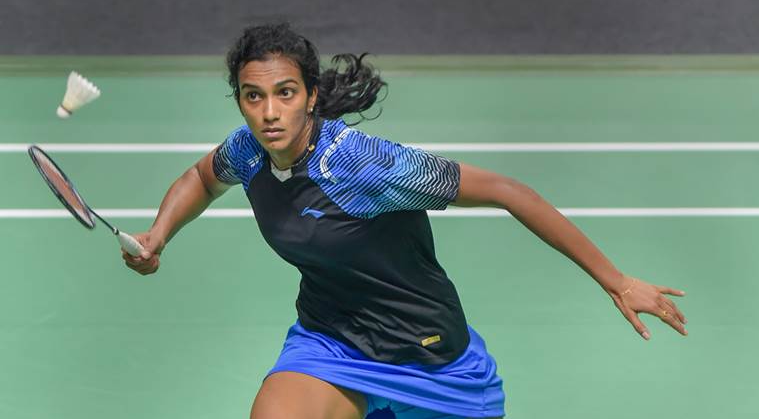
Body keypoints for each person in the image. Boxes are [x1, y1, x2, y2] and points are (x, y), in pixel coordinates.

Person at [122, 23, 688, 419]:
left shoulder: (364, 165)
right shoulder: (248, 151)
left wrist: (616, 280)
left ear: (311, 97)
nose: (269, 112)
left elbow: (510, 192)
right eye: (253, 96)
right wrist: (160, 233)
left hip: (431, 358)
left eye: (284, 93)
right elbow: (201, 177)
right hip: (332, 343)